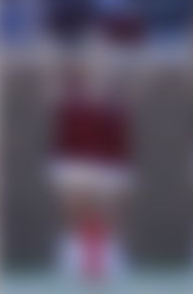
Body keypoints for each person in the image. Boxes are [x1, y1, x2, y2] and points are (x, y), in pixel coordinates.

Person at [48, 50, 132, 282]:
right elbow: (61, 140)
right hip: (74, 163)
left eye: (101, 66)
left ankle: (110, 255)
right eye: (91, 66)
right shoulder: (68, 98)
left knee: (109, 201)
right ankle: (73, 254)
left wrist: (120, 175)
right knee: (77, 196)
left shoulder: (117, 101)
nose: (96, 70)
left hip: (109, 165)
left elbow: (120, 143)